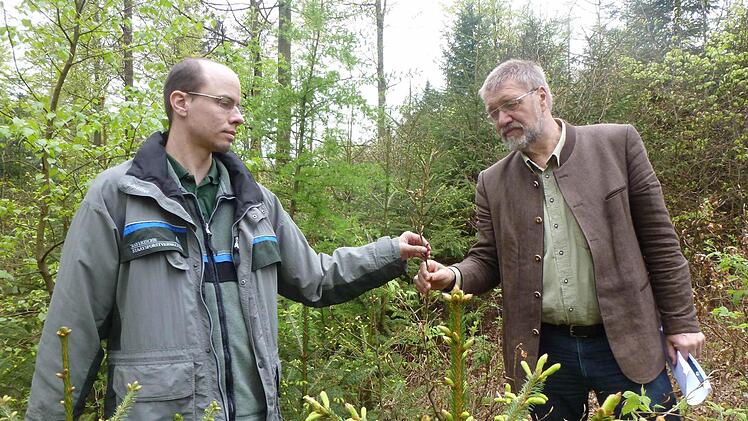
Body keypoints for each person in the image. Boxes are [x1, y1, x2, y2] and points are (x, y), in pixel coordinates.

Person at [26, 58, 429, 421]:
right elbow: (73, 323)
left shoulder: (256, 204)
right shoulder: (118, 196)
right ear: (180, 103)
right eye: (224, 103)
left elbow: (315, 277)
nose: (238, 117)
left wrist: (390, 251)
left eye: (238, 105)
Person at [415, 59, 704, 420]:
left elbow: (661, 243)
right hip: (545, 351)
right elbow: (487, 259)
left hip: (626, 339)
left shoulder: (618, 144)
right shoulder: (492, 182)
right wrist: (453, 276)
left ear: (542, 97)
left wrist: (682, 323)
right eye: (493, 113)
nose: (502, 119)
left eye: (510, 105)